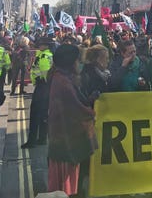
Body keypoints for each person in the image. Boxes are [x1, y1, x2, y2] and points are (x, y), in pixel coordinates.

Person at [47, 44, 97, 198]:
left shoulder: (61, 77)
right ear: (71, 62)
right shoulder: (64, 82)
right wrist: (93, 112)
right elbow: (77, 110)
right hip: (66, 141)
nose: (80, 64)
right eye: (78, 60)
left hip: (62, 138)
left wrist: (89, 99)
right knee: (65, 187)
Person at [21, 36, 54, 148]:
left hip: (42, 87)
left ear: (46, 45)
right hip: (46, 88)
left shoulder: (44, 56)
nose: (39, 45)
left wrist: (41, 80)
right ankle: (42, 138)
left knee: (35, 115)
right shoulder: (48, 55)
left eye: (41, 44)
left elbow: (45, 74)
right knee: (44, 114)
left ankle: (32, 140)